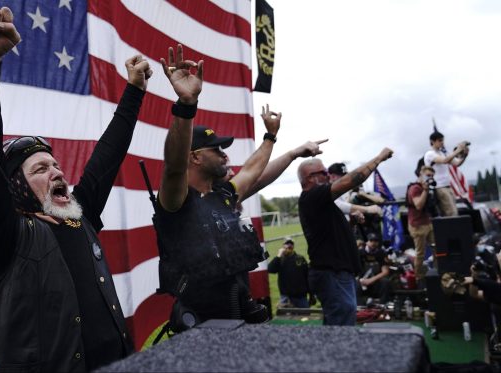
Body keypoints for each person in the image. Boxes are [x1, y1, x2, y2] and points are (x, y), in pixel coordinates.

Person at [0, 8, 152, 371]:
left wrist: (134, 92)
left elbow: (106, 157)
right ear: (15, 186)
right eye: (40, 168)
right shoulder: (1, 236)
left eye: (57, 164)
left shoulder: (77, 216)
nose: (57, 171)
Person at [154, 44, 279, 325]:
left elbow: (252, 170)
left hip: (241, 312)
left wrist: (271, 138)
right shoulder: (177, 200)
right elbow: (174, 167)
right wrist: (186, 104)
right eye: (217, 149)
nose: (225, 154)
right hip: (204, 326)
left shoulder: (222, 194)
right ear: (195, 157)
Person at [297, 148, 393, 326]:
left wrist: (352, 224)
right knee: (341, 326)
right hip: (332, 274)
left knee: (338, 324)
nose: (329, 176)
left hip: (335, 274)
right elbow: (349, 181)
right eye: (324, 172)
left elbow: (331, 234)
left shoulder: (321, 202)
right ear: (310, 177)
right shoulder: (313, 196)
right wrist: (378, 158)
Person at [423, 128, 469, 216]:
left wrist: (464, 156)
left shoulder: (443, 152)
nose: (442, 142)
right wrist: (458, 150)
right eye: (440, 140)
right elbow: (444, 161)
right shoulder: (430, 154)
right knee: (451, 212)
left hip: (447, 186)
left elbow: (457, 163)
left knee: (454, 211)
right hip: (439, 187)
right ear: (432, 141)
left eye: (442, 140)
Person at [406, 165, 437, 283]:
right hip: (418, 225)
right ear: (421, 174)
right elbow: (418, 205)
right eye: (428, 175)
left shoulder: (425, 187)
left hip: (427, 222)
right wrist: (425, 190)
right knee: (420, 253)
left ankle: (437, 270)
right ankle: (418, 277)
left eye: (432, 176)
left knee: (437, 248)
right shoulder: (415, 188)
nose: (430, 178)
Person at [267, 238, 314, 308]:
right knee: (286, 318)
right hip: (286, 298)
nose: (289, 245)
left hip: (301, 297)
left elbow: (307, 277)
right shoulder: (280, 260)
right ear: (283, 246)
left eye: (291, 244)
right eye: (287, 244)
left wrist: (311, 295)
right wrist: (279, 255)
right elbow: (270, 269)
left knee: (305, 317)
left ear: (293, 246)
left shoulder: (300, 258)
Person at [357, 233, 392, 304]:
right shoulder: (360, 253)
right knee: (354, 285)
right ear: (367, 242)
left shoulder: (381, 253)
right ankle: (359, 306)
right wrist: (360, 280)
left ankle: (382, 305)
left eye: (376, 241)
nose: (373, 243)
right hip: (362, 281)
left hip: (375, 280)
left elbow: (385, 271)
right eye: (371, 240)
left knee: (386, 283)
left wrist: (371, 280)